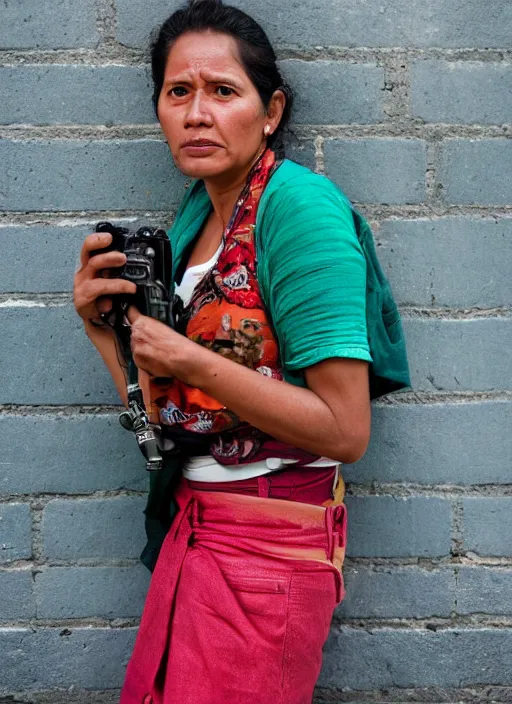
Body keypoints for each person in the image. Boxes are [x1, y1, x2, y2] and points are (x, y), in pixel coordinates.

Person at [73, 1, 407, 702]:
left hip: (265, 551)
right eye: (178, 92)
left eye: (223, 91)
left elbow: (346, 431)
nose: (198, 114)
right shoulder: (197, 223)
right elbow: (163, 420)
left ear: (271, 110)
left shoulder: (298, 210)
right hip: (198, 531)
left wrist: (191, 359)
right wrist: (108, 335)